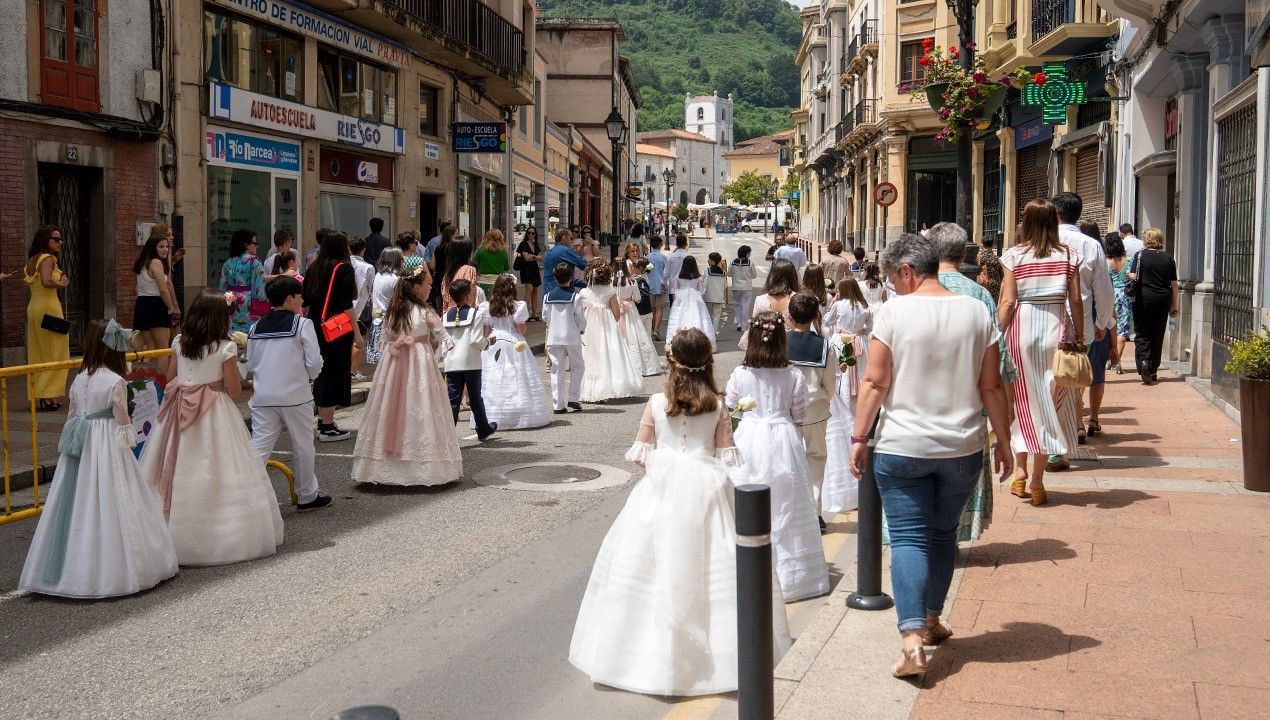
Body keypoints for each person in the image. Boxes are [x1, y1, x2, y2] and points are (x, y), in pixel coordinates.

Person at [569, 328, 792, 696]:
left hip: (660, 493)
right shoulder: (718, 405)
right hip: (709, 494)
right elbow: (727, 455)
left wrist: (668, 468)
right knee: (713, 569)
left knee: (653, 568)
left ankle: (643, 660)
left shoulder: (657, 403)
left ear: (671, 361)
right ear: (708, 362)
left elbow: (641, 453)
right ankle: (717, 663)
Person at [848, 233, 1012, 678]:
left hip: (902, 445)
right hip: (962, 446)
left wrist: (859, 437)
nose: (892, 287)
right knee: (942, 537)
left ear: (906, 271)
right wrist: (1004, 439)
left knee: (907, 538)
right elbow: (991, 385)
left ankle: (913, 639)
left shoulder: (894, 312)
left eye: (892, 278)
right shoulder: (978, 311)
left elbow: (876, 382)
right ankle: (933, 620)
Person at [19, 320, 178, 598]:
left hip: (81, 443)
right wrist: (129, 447)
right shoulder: (115, 381)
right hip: (107, 441)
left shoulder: (80, 378)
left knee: (78, 500)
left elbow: (72, 414)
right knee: (112, 494)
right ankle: (118, 567)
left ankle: (71, 569)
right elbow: (123, 420)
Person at [139, 289, 285, 565]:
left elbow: (170, 377)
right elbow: (232, 390)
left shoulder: (180, 342)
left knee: (171, 466)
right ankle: (218, 537)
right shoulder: (225, 348)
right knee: (217, 467)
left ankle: (163, 534)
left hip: (178, 410)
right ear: (220, 318)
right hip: (214, 410)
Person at [727, 311, 829, 602]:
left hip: (748, 437)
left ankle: (749, 570)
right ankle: (792, 577)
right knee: (789, 500)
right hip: (783, 437)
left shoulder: (740, 374)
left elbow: (732, 408)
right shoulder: (793, 374)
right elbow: (798, 415)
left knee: (746, 501)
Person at [929, 222, 1013, 539]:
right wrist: (1004, 417)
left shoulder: (914, 292)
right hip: (969, 404)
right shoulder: (978, 295)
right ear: (964, 253)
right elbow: (999, 357)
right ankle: (953, 534)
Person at [998, 200, 1085, 506]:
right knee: (1050, 405)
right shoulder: (1069, 255)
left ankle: (1020, 473)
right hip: (1056, 332)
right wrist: (1081, 335)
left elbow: (1008, 302)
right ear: (1054, 222)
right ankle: (1037, 481)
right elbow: (1076, 301)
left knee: (1023, 402)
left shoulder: (1013, 255)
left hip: (1021, 332)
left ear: (1026, 222)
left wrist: (997, 333)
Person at [353, 265, 464, 486]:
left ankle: (384, 464)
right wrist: (440, 350)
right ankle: (420, 464)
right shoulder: (424, 311)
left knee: (390, 406)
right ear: (415, 287)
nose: (430, 288)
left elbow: (384, 338)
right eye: (428, 284)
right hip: (419, 363)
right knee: (419, 405)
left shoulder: (394, 311)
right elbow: (444, 337)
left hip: (392, 364)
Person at [247, 276, 330, 512]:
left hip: (263, 396)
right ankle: (307, 495)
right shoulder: (302, 324)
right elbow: (314, 361)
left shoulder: (255, 327)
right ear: (290, 298)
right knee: (303, 446)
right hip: (295, 395)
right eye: (300, 296)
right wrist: (310, 377)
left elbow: (251, 363)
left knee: (259, 446)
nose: (302, 300)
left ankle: (243, 495)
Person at [1049, 192, 1115, 470]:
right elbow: (1104, 290)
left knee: (1053, 383)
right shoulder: (1091, 245)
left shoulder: (1041, 242)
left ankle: (1054, 444)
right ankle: (1065, 436)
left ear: (1054, 213)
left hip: (1044, 323)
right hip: (1081, 326)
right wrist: (1103, 324)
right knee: (1068, 381)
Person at [302, 229, 363, 442]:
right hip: (336, 329)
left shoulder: (313, 268)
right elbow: (347, 306)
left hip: (314, 326)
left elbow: (306, 300)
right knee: (334, 372)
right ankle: (327, 426)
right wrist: (357, 334)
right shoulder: (343, 268)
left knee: (320, 371)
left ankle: (323, 421)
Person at [821, 277, 872, 516]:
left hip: (841, 342)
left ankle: (844, 405)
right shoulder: (863, 306)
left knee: (841, 376)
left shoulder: (838, 305)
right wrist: (858, 332)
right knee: (858, 375)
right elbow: (869, 326)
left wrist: (839, 331)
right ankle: (856, 408)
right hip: (859, 343)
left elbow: (827, 322)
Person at [787, 293, 836, 530]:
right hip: (815, 411)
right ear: (816, 315)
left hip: (786, 413)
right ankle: (814, 512)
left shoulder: (778, 344)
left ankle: (792, 511)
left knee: (788, 462)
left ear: (790, 316)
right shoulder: (826, 347)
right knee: (816, 459)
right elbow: (830, 385)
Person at [479, 274, 551, 429]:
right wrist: (522, 325)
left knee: (494, 375)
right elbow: (520, 329)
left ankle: (493, 413)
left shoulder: (486, 306)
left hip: (493, 340)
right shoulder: (518, 306)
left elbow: (485, 331)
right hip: (513, 341)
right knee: (517, 373)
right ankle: (518, 410)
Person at [578, 264, 645, 402]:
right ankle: (608, 386)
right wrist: (610, 318)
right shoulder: (610, 291)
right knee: (609, 352)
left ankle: (590, 388)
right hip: (607, 325)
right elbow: (616, 314)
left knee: (591, 354)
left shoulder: (584, 292)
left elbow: (579, 311)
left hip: (589, 324)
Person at [441, 279, 497, 441]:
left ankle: (447, 435)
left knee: (453, 399)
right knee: (475, 397)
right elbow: (476, 340)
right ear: (468, 295)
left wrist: (446, 356)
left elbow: (443, 340)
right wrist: (488, 342)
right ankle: (483, 428)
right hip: (470, 361)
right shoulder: (476, 313)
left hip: (452, 362)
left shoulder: (445, 315)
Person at [23, 226, 71, 411]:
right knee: (57, 352)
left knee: (39, 352)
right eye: (56, 239)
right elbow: (45, 281)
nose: (60, 243)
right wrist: (62, 283)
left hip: (34, 307)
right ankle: (46, 395)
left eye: (60, 239)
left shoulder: (32, 260)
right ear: (45, 240)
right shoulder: (47, 258)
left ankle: (44, 395)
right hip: (49, 307)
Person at [1129, 227, 1179, 385]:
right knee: (1158, 334)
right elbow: (1174, 285)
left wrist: (1128, 275)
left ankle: (1143, 361)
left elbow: (1134, 276)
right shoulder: (1168, 258)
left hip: (1143, 299)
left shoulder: (1140, 256)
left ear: (1146, 240)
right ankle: (1153, 369)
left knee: (1142, 332)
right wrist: (1174, 305)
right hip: (1163, 299)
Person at [544, 262, 588, 414]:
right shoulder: (575, 297)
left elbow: (545, 316)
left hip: (554, 337)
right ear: (571, 278)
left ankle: (558, 405)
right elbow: (580, 319)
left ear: (555, 278)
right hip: (571, 337)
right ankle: (574, 398)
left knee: (556, 369)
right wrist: (581, 330)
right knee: (578, 366)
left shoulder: (547, 297)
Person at [132, 224, 182, 352]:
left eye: (166, 246)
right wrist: (171, 307)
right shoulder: (156, 262)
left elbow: (137, 288)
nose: (165, 248)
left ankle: (145, 372)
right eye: (161, 246)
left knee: (150, 349)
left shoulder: (143, 261)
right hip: (156, 305)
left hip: (142, 305)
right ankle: (161, 373)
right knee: (162, 349)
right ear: (154, 247)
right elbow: (164, 287)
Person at [613, 261, 661, 377]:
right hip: (630, 311)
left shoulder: (611, 281)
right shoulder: (632, 281)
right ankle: (641, 366)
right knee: (634, 336)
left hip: (615, 311)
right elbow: (638, 298)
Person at [219, 228, 268, 334]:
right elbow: (260, 292)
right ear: (246, 245)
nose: (257, 246)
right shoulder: (254, 261)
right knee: (248, 337)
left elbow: (222, 288)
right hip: (249, 305)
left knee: (232, 335)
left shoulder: (227, 263)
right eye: (255, 243)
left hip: (229, 302)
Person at [665, 256, 716, 348]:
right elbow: (701, 290)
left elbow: (675, 289)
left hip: (681, 298)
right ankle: (699, 342)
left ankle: (678, 342)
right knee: (697, 317)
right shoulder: (698, 277)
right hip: (695, 298)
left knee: (680, 317)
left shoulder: (679, 276)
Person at [366, 248, 404, 366]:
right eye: (401, 258)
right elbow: (400, 301)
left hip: (377, 321)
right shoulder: (396, 279)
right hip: (391, 323)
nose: (403, 260)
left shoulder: (378, 275)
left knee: (382, 363)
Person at [1104, 234, 1134, 376]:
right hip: (1125, 296)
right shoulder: (1129, 261)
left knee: (1110, 327)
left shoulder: (1105, 262)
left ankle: (1110, 358)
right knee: (1123, 329)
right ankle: (1117, 360)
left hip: (1110, 296)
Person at [349, 236, 376, 382]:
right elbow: (371, 288)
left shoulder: (343, 264)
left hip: (344, 308)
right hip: (360, 308)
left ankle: (349, 369)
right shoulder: (368, 268)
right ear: (363, 250)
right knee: (358, 340)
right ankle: (353, 371)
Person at [542, 229, 590, 297]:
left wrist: (585, 283)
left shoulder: (549, 252)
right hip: (561, 294)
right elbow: (583, 264)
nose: (572, 240)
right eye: (571, 238)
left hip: (547, 293)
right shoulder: (565, 251)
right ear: (564, 238)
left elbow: (565, 277)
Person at [441, 236, 478, 314]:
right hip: (464, 315)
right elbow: (469, 296)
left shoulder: (447, 274)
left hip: (448, 315)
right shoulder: (469, 270)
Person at [515, 227, 544, 321]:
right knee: (529, 290)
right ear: (526, 234)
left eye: (533, 233)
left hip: (534, 269)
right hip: (526, 269)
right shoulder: (523, 244)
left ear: (535, 234)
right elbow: (526, 258)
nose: (531, 235)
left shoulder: (535, 244)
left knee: (535, 290)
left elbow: (541, 257)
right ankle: (524, 314)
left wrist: (533, 256)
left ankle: (534, 314)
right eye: (529, 233)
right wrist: (535, 257)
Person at [427, 225, 457, 308]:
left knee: (441, 299)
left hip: (439, 278)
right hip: (451, 277)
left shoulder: (437, 248)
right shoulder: (453, 248)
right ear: (452, 236)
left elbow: (432, 266)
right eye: (456, 234)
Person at [474, 228, 511, 294]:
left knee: (483, 303)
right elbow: (507, 267)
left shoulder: (480, 250)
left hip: (482, 282)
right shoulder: (504, 251)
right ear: (500, 238)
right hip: (498, 283)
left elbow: (474, 265)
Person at [647, 235, 670, 340]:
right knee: (659, 309)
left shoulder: (647, 257)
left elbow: (644, 272)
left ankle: (651, 330)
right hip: (661, 286)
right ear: (660, 245)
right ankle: (656, 330)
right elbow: (667, 273)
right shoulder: (664, 258)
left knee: (651, 309)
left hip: (649, 286)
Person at [730, 245, 757, 332]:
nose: (750, 255)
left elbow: (729, 274)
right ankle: (744, 326)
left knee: (737, 305)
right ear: (746, 253)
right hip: (746, 288)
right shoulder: (751, 262)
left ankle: (739, 323)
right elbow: (754, 275)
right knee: (745, 306)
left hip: (735, 287)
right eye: (749, 253)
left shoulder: (733, 261)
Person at [976, 234, 1004, 302]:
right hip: (996, 285)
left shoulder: (980, 257)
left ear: (982, 244)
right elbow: (1002, 273)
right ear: (992, 245)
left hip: (983, 283)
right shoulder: (997, 259)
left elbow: (976, 270)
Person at [664, 234, 690, 305]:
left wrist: (665, 285)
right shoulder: (689, 257)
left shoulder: (670, 257)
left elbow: (665, 273)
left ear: (676, 244)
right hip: (685, 287)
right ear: (686, 244)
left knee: (673, 310)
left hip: (673, 287)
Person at [704, 252, 728, 328]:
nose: (708, 261)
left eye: (709, 260)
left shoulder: (707, 271)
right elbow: (725, 286)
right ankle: (714, 334)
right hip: (719, 298)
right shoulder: (723, 272)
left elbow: (704, 284)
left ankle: (708, 333)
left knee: (707, 316)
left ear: (713, 261)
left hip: (709, 297)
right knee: (716, 317)